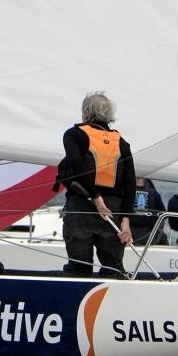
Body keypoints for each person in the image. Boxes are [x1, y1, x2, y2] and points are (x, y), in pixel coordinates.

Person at [56, 90, 136, 278]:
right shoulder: (121, 142)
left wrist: (96, 197)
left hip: (82, 206)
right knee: (113, 270)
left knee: (79, 269)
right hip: (113, 212)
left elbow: (78, 165)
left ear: (86, 112)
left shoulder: (74, 135)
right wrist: (126, 220)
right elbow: (130, 182)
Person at [127, 175, 166, 245]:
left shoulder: (126, 191)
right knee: (163, 237)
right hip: (149, 236)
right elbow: (162, 214)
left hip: (128, 235)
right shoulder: (153, 192)